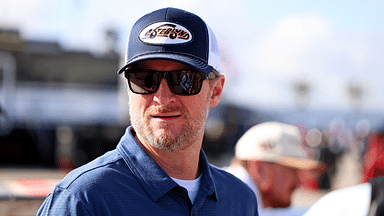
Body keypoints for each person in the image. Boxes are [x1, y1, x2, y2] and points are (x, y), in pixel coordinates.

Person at [37, 7, 258, 216]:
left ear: (216, 90)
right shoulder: (83, 200)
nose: (162, 98)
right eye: (144, 79)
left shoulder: (239, 200)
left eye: (183, 80)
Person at [226, 121, 322, 215]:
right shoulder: (228, 204)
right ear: (259, 169)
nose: (298, 183)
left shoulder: (232, 198)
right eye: (293, 171)